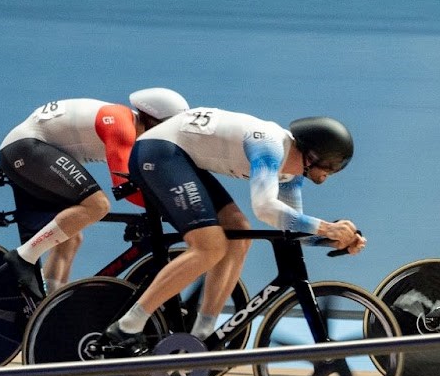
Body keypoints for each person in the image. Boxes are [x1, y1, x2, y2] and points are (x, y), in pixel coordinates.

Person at [102, 111, 363, 352]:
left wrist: (331, 240)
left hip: (181, 158)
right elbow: (264, 208)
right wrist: (327, 227)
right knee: (209, 246)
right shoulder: (270, 147)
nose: (332, 173)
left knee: (240, 235)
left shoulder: (291, 174)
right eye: (332, 166)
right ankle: (127, 326)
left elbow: (289, 227)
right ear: (315, 156)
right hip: (159, 152)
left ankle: (201, 336)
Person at [0, 88, 189, 297]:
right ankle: (23, 257)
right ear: (154, 122)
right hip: (25, 148)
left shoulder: (133, 132)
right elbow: (126, 187)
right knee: (97, 205)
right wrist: (175, 209)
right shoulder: (121, 125)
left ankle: (48, 304)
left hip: (33, 148)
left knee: (71, 234)